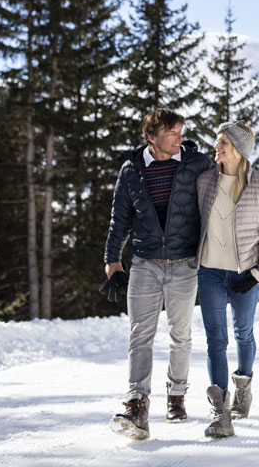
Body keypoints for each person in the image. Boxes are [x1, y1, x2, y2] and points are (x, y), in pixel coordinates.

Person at [104, 108, 212, 440]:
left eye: (181, 130)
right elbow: (119, 217)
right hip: (145, 263)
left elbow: (220, 204)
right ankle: (137, 404)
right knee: (140, 335)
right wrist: (112, 259)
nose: (180, 136)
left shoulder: (198, 164)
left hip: (184, 264)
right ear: (152, 137)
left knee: (181, 334)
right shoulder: (131, 170)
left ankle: (176, 396)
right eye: (172, 132)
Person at [196, 120, 259, 438]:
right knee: (215, 341)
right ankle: (221, 413)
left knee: (243, 333)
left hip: (246, 274)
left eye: (223, 143)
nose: (217, 146)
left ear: (239, 148)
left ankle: (243, 387)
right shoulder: (204, 181)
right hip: (209, 273)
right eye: (217, 142)